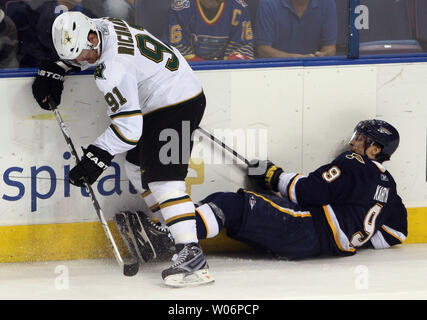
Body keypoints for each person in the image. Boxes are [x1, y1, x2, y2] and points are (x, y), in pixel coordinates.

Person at [31, 11, 214, 287]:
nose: (81, 60)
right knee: (136, 167)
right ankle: (169, 232)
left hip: (178, 104)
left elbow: (129, 130)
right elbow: (90, 52)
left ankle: (192, 256)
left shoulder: (112, 71)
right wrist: (59, 66)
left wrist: (96, 156)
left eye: (81, 54)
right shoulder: (104, 24)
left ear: (92, 38)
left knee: (165, 181)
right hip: (166, 96)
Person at [138, 119, 408, 261]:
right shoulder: (389, 187)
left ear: (375, 150)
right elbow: (396, 233)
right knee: (223, 204)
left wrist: (273, 175)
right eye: (356, 137)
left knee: (231, 206)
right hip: (315, 242)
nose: (354, 143)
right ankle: (168, 228)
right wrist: (352, 237)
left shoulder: (354, 162)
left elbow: (308, 193)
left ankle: (167, 241)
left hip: (308, 230)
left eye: (362, 139)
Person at [163, 0, 255, 61]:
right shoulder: (181, 8)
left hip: (225, 73)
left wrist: (223, 69)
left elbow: (242, 48)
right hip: (190, 73)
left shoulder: (239, 7)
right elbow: (175, 51)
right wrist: (206, 67)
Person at [256, 0, 337, 58]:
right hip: (276, 69)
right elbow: (263, 50)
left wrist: (323, 55)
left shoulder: (327, 3)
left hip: (314, 69)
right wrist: (293, 59)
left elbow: (330, 47)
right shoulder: (268, 3)